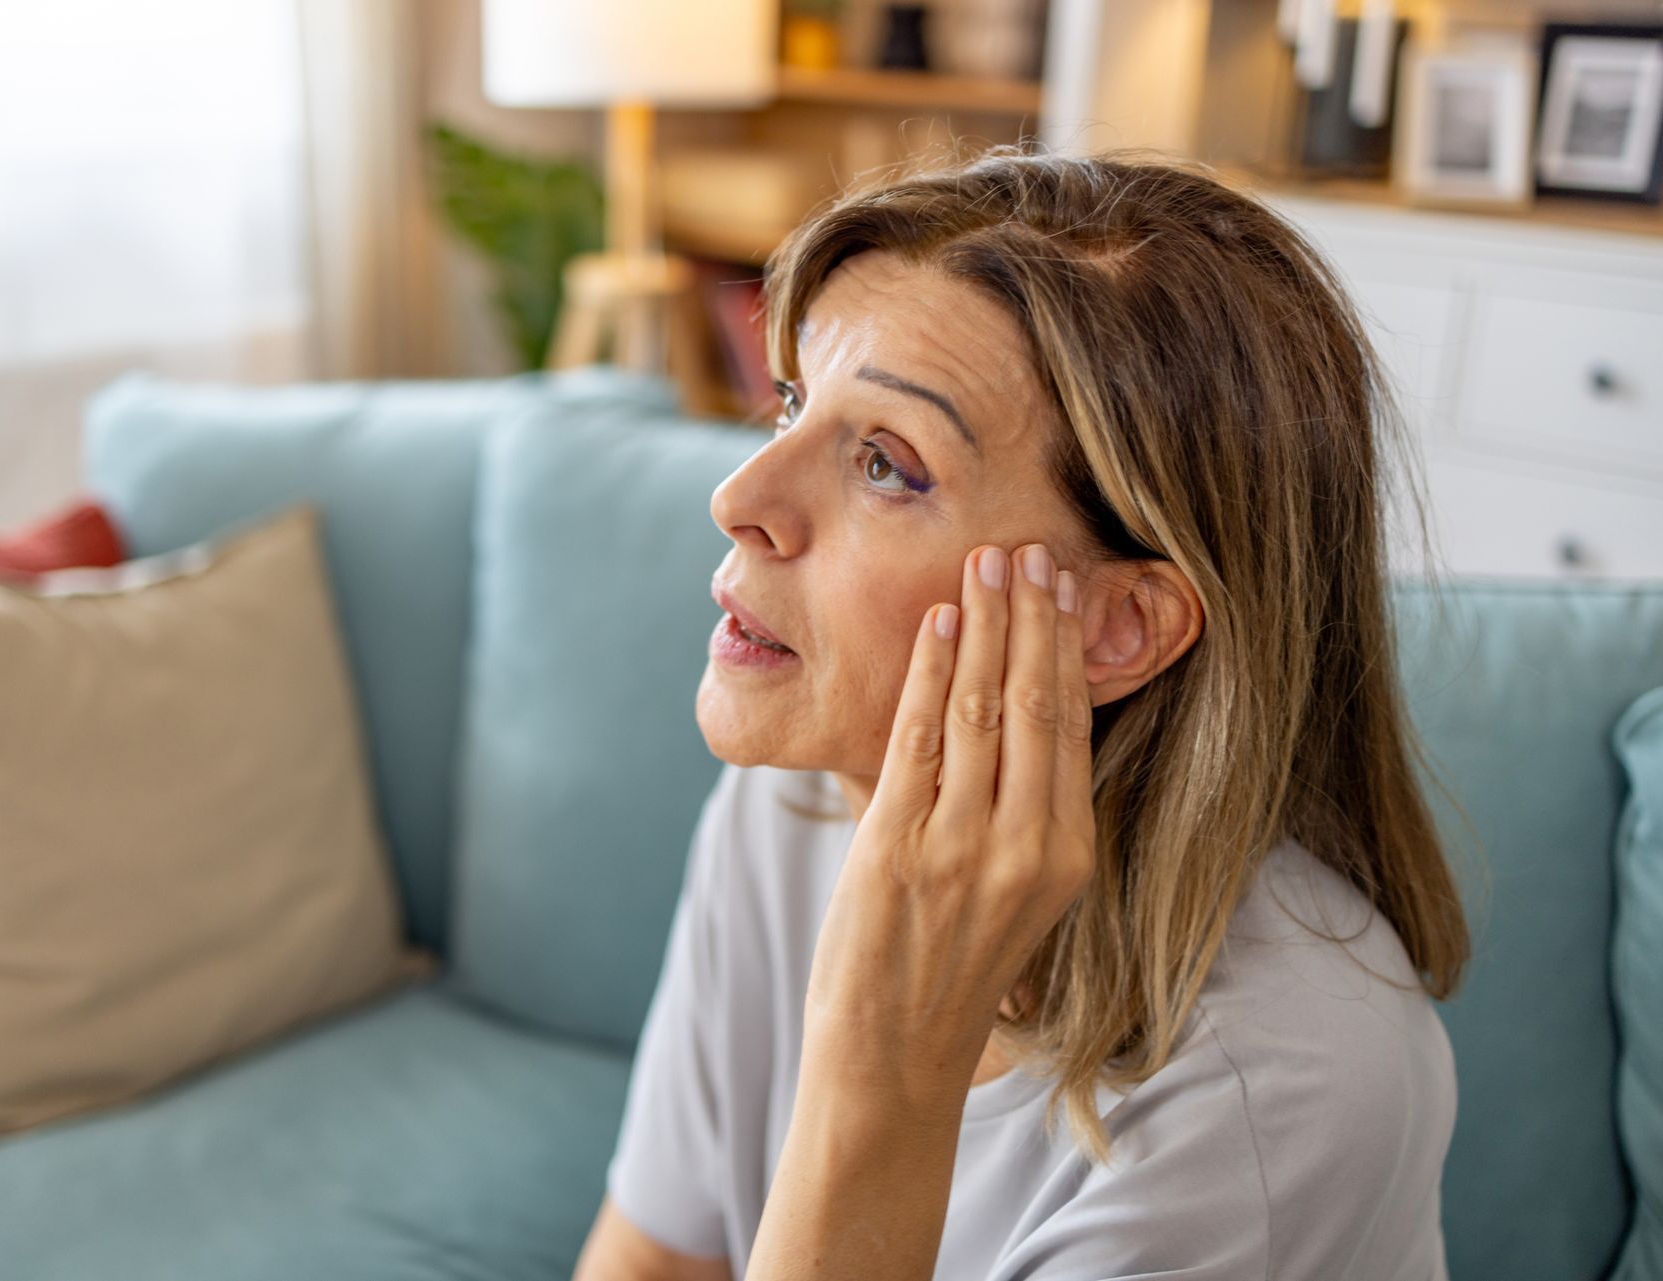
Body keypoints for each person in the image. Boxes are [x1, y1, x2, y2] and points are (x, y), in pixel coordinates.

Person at [571, 141, 1472, 1281]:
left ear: (1115, 630)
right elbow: (653, 1258)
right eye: (795, 397)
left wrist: (884, 1063)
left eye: (888, 464)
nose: (739, 496)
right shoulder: (803, 792)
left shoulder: (1276, 1091)